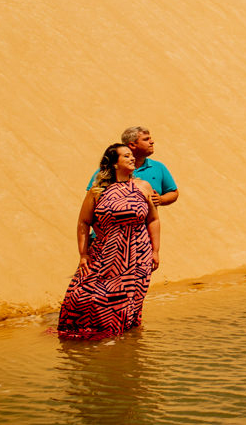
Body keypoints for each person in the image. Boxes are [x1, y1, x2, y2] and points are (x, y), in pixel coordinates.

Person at [58, 143, 161, 339]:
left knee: (128, 300)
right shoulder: (97, 191)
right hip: (104, 252)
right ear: (115, 164)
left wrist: (155, 250)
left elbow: (153, 219)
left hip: (137, 254)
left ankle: (125, 343)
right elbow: (83, 221)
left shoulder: (143, 187)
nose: (132, 158)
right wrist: (83, 254)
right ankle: (86, 337)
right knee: (80, 295)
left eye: (132, 156)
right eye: (126, 156)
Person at [87, 126, 178, 207]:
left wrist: (161, 199)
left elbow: (173, 193)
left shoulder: (158, 167)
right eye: (146, 139)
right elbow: (91, 197)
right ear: (132, 145)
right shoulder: (110, 169)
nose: (152, 142)